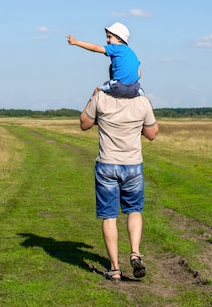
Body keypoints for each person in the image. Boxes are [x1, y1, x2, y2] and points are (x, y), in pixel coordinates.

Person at [79, 88, 158, 281]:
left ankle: (114, 268)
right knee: (134, 210)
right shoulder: (142, 101)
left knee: (109, 216)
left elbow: (84, 124)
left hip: (107, 164)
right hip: (133, 165)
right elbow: (152, 134)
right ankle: (135, 253)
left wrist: (91, 98)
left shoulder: (101, 97)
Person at [67, 22, 144, 98]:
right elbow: (139, 74)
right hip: (134, 89)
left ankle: (85, 111)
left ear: (119, 39)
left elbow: (95, 48)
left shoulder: (114, 47)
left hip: (118, 87)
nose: (107, 40)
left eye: (109, 37)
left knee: (97, 91)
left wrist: (76, 42)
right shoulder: (131, 52)